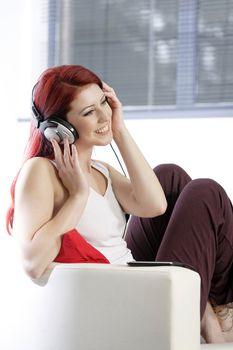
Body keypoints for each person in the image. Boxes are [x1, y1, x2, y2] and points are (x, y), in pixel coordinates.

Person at [6, 64, 233, 344]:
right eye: (89, 112)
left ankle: (208, 310)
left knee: (169, 176)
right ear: (59, 129)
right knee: (205, 193)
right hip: (121, 300)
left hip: (132, 279)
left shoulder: (102, 170)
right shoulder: (40, 171)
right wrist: (77, 195)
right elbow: (32, 263)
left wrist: (120, 130)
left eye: (104, 102)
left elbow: (155, 206)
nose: (104, 115)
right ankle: (219, 312)